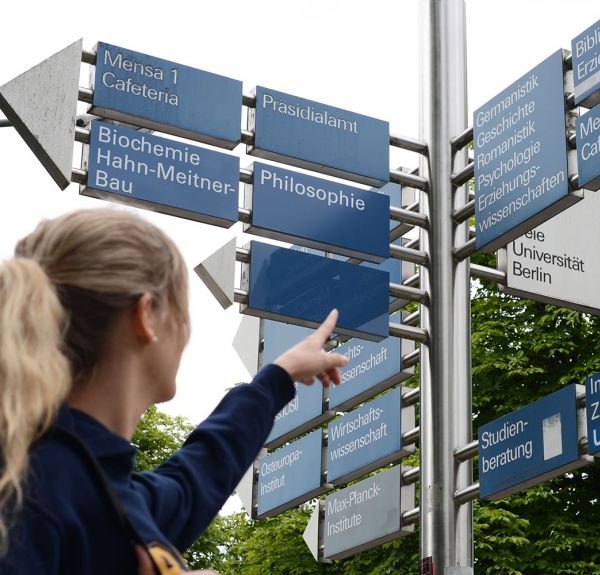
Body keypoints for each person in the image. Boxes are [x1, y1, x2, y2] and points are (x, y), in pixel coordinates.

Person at [0, 208, 348, 574]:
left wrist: (279, 376)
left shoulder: (96, 487)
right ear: (147, 316)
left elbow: (195, 477)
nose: (185, 333)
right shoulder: (31, 490)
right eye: (183, 312)